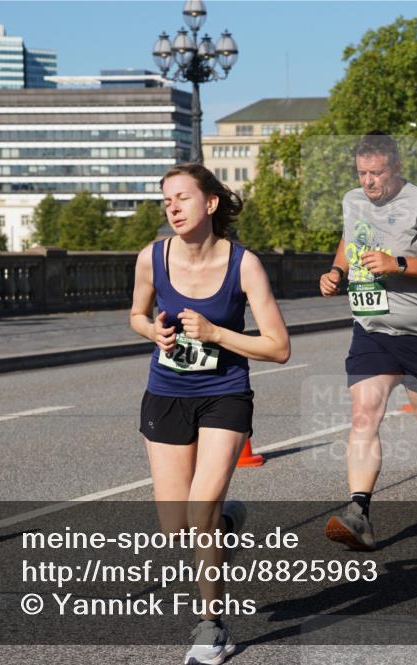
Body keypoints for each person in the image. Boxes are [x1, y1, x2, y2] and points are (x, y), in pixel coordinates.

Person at [129, 163, 290, 664]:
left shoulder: (244, 265)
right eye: (166, 202)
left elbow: (279, 347)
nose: (172, 208)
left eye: (182, 198)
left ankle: (212, 626)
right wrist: (153, 332)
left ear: (211, 204)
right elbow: (135, 314)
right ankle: (225, 523)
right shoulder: (151, 258)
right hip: (167, 392)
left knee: (200, 514)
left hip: (225, 393)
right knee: (176, 526)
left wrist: (218, 334)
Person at [319, 132, 417, 549]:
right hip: (372, 327)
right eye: (362, 173)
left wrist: (397, 263)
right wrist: (336, 271)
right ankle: (358, 511)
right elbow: (351, 239)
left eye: (377, 173)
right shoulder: (353, 200)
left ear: (396, 169)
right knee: (365, 410)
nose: (368, 182)